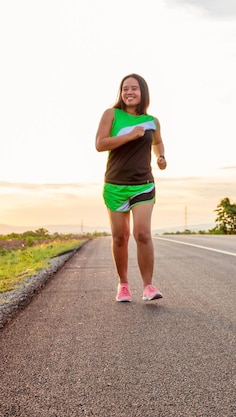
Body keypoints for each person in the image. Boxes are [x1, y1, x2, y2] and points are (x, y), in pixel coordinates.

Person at [95, 73, 167, 302]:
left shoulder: (152, 121)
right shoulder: (111, 114)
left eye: (134, 88)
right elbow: (100, 144)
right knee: (120, 237)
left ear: (142, 92)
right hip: (115, 184)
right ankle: (123, 285)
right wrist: (130, 136)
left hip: (143, 184)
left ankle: (148, 286)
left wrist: (161, 156)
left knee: (142, 234)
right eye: (125, 88)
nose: (129, 92)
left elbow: (157, 142)